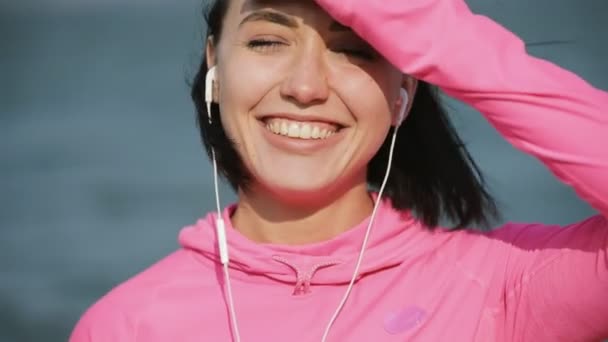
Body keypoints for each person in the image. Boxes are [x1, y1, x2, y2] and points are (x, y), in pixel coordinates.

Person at [70, 0, 608, 341]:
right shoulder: (124, 325)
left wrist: (419, 24)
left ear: (406, 90)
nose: (305, 87)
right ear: (216, 62)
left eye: (356, 50)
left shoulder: (501, 289)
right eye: (266, 41)